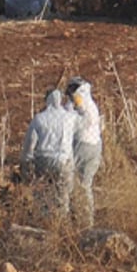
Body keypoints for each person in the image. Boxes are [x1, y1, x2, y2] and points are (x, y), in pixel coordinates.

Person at [20, 89, 78, 220]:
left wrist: (26, 161)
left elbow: (30, 142)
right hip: (63, 162)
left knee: (42, 192)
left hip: (43, 161)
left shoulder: (39, 118)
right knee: (63, 194)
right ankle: (62, 221)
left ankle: (42, 218)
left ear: (47, 100)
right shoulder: (69, 118)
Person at [64, 76, 103, 228]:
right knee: (86, 184)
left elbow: (73, 124)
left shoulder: (78, 104)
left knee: (70, 180)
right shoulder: (92, 105)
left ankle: (71, 217)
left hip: (82, 145)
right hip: (96, 146)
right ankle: (88, 219)